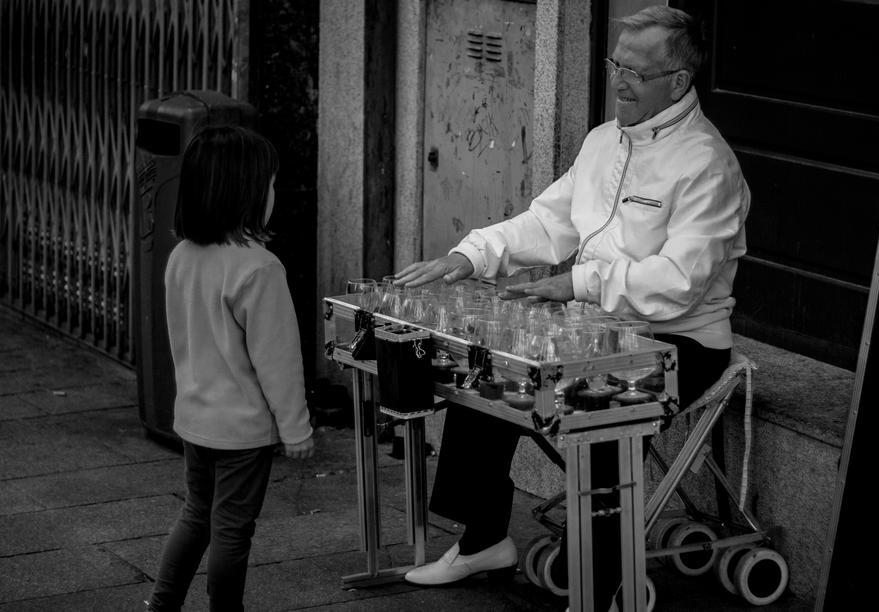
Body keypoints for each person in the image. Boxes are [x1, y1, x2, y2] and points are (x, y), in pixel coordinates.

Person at [394, 6, 748, 609]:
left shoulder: (707, 165)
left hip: (681, 342)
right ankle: (484, 541)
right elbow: (548, 222)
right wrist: (469, 257)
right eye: (616, 63)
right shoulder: (603, 141)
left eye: (635, 71)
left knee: (601, 408)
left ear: (678, 82)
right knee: (489, 369)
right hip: (597, 324)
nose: (618, 80)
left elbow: (679, 283)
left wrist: (578, 283)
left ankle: (607, 586)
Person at [146, 125, 315, 612]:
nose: (273, 193)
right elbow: (278, 362)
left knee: (196, 513)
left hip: (196, 420)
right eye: (270, 184)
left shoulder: (181, 256)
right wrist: (296, 430)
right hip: (242, 432)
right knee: (232, 530)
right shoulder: (260, 268)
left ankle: (162, 604)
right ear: (247, 193)